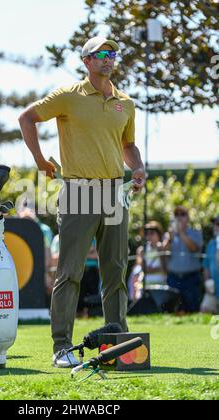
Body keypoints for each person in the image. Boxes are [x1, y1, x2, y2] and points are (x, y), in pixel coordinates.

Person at [19, 36, 145, 367]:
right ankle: (61, 347)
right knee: (70, 272)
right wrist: (39, 159)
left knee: (116, 272)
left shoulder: (125, 103)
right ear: (86, 60)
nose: (109, 58)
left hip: (116, 193)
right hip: (78, 193)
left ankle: (118, 346)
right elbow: (27, 118)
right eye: (102, 54)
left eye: (113, 53)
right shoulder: (67, 97)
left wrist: (139, 167)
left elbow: (127, 145)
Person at [163, 205, 203, 313]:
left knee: (192, 309)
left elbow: (193, 248)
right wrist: (170, 238)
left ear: (188, 218)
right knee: (172, 309)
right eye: (177, 215)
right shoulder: (169, 234)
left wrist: (180, 233)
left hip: (191, 278)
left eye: (183, 214)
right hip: (173, 278)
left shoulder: (195, 233)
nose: (179, 217)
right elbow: (164, 251)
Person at [128, 221, 167, 300]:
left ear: (158, 234)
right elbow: (143, 269)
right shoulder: (142, 250)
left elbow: (165, 269)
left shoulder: (163, 249)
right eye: (147, 233)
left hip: (160, 285)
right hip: (145, 286)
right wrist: (155, 269)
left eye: (152, 233)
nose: (149, 236)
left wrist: (151, 269)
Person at [200, 216, 219, 314]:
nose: (216, 227)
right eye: (215, 224)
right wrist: (207, 282)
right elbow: (206, 266)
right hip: (213, 290)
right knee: (204, 311)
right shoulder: (211, 244)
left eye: (218, 224)